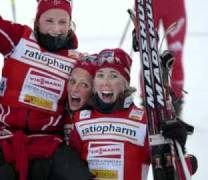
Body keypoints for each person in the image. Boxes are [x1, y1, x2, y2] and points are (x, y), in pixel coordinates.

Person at [0, 0, 92, 180]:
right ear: (37, 20)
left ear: (70, 23)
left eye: (62, 22)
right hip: (4, 138)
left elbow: (99, 83)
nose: (56, 29)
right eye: (49, 21)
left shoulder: (77, 61)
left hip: (48, 144)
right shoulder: (18, 39)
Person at [69, 48, 196, 180]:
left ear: (125, 84)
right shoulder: (80, 120)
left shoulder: (144, 121)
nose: (105, 82)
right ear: (94, 84)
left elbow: (171, 174)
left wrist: (179, 146)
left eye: (113, 76)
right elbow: (68, 169)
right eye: (100, 75)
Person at [152, 0, 187, 117]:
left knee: (175, 55)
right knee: (149, 57)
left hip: (173, 4)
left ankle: (175, 105)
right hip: (148, 4)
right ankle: (149, 103)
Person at [64, 59, 95, 144]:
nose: (74, 89)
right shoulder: (59, 110)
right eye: (72, 81)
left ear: (93, 91)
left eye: (83, 84)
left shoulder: (98, 119)